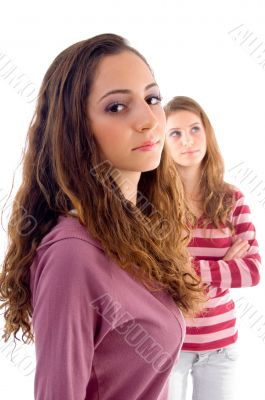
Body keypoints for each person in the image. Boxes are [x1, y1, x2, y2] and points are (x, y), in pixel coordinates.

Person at [0, 35, 205, 400]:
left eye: (152, 98)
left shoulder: (139, 236)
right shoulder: (72, 255)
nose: (148, 120)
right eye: (116, 107)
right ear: (76, 129)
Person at [164, 96, 261, 400]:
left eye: (195, 129)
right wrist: (224, 267)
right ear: (163, 143)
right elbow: (152, 275)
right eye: (175, 133)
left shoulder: (232, 199)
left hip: (221, 345)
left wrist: (184, 269)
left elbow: (253, 271)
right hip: (169, 342)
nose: (187, 140)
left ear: (207, 134)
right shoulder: (154, 204)